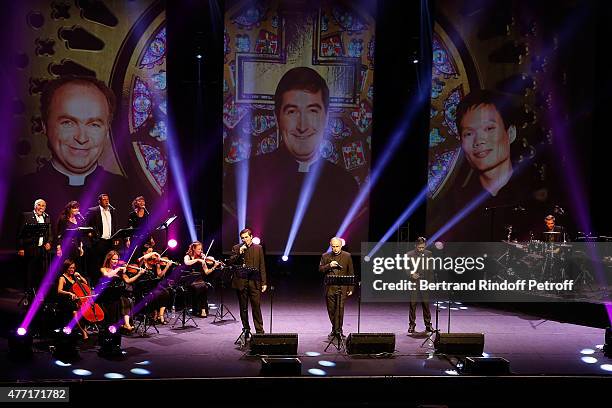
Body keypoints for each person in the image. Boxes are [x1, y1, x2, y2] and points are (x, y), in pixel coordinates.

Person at [223, 67, 363, 253]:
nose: (302, 126)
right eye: (292, 112)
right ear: (277, 117)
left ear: (326, 117)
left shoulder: (346, 184)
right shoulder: (242, 176)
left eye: (313, 111)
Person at [18, 76, 128, 219]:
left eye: (94, 124)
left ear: (107, 131)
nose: (81, 138)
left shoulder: (128, 192)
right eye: (68, 123)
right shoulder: (16, 194)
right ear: (45, 126)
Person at [443, 89, 542, 242]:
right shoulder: (453, 204)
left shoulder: (533, 195)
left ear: (510, 133)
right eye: (468, 134)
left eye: (489, 129)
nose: (479, 141)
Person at [228, 228, 267, 336]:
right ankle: (246, 329)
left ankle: (259, 331)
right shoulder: (236, 248)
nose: (244, 240)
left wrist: (264, 282)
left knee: (256, 307)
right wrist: (239, 253)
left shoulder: (258, 248)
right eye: (242, 238)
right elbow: (231, 262)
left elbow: (262, 265)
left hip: (255, 282)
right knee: (243, 308)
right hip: (241, 282)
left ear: (251, 237)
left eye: (246, 237)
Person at [99, 250, 145, 332]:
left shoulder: (120, 272)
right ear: (109, 259)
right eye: (113, 259)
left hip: (117, 296)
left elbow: (128, 281)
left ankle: (120, 328)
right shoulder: (104, 269)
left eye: (117, 259)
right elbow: (108, 275)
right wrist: (118, 269)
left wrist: (139, 274)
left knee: (123, 304)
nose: (115, 261)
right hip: (107, 298)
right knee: (110, 317)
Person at [318, 237, 354, 339]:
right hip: (330, 287)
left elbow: (350, 272)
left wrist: (350, 288)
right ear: (330, 245)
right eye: (333, 246)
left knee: (340, 309)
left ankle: (338, 331)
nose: (335, 248)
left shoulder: (347, 256)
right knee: (331, 310)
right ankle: (334, 329)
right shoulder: (325, 256)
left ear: (341, 245)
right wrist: (329, 265)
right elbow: (320, 269)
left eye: (337, 246)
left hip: (342, 287)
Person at [17, 199, 55, 292]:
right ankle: (28, 291)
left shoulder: (47, 217)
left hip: (42, 249)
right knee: (30, 270)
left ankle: (38, 291)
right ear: (35, 206)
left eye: (43, 206)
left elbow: (50, 233)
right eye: (39, 205)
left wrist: (49, 242)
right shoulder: (27, 215)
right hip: (30, 248)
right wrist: (21, 248)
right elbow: (20, 233)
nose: (41, 207)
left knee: (41, 271)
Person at [86, 193, 120, 284]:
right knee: (97, 263)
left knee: (108, 262)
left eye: (107, 199)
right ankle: (95, 283)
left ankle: (107, 282)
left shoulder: (112, 211)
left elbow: (115, 225)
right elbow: (87, 224)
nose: (106, 201)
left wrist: (116, 237)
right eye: (104, 199)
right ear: (99, 201)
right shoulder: (93, 211)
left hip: (109, 241)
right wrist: (92, 238)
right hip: (99, 241)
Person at [182, 241, 220, 318]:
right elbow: (187, 263)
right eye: (199, 249)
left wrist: (214, 267)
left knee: (203, 286)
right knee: (202, 286)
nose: (201, 251)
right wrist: (197, 260)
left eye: (201, 249)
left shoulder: (203, 259)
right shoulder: (187, 257)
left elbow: (206, 272)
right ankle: (201, 309)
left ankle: (202, 309)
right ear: (193, 248)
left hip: (199, 280)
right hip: (190, 279)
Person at [137, 245, 172, 324]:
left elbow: (159, 276)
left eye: (152, 251)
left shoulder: (155, 263)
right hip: (144, 286)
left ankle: (161, 315)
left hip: (153, 285)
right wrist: (155, 252)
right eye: (150, 252)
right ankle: (154, 314)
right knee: (156, 294)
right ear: (144, 253)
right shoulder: (141, 262)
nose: (152, 254)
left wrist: (167, 267)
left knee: (166, 292)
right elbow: (143, 258)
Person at [56, 259, 89, 339]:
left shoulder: (74, 277)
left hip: (76, 300)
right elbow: (59, 291)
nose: (72, 270)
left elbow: (85, 283)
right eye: (70, 268)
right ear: (66, 268)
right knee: (75, 312)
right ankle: (83, 331)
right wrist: (69, 293)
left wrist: (80, 276)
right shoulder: (62, 278)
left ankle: (84, 328)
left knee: (84, 308)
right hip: (66, 301)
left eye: (73, 268)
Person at [406, 237, 433, 334]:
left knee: (426, 305)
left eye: (423, 247)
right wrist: (411, 274)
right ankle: (411, 325)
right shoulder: (409, 254)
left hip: (424, 283)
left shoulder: (428, 254)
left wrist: (429, 283)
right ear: (415, 245)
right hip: (414, 283)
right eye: (419, 247)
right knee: (412, 305)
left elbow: (431, 270)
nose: (421, 249)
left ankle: (428, 325)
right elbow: (405, 268)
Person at [56, 200, 86, 264]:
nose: (77, 209)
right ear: (69, 209)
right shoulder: (63, 219)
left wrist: (81, 247)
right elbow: (59, 234)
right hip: (65, 245)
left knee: (75, 264)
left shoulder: (78, 219)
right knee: (66, 264)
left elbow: (80, 234)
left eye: (77, 208)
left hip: (75, 245)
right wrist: (59, 248)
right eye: (74, 208)